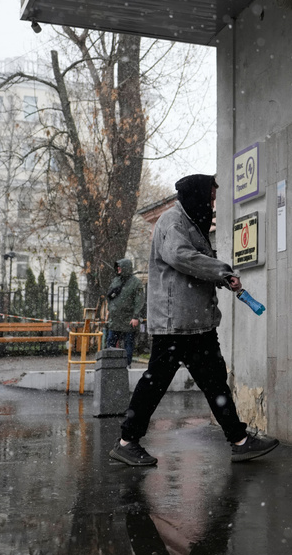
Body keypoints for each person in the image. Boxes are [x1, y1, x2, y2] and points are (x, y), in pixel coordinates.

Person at [109, 173, 278, 467]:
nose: (212, 205)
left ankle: (239, 441)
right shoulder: (172, 222)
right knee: (154, 385)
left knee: (215, 383)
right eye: (210, 198)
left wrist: (223, 278)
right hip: (175, 324)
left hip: (196, 324)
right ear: (196, 195)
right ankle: (126, 442)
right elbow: (181, 256)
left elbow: (197, 262)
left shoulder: (190, 223)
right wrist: (222, 270)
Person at [105, 257, 144, 366]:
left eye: (120, 267)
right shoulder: (116, 280)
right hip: (115, 319)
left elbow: (139, 301)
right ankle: (110, 365)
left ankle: (126, 365)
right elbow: (110, 296)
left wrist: (135, 317)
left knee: (128, 344)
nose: (118, 269)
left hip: (129, 320)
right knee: (110, 343)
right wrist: (110, 311)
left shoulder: (136, 283)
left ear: (125, 268)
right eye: (117, 267)